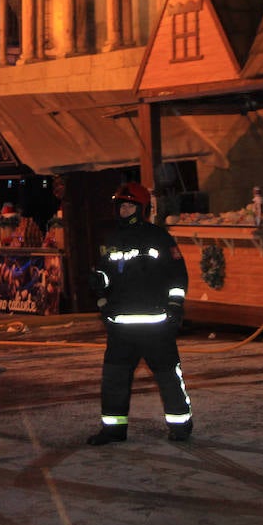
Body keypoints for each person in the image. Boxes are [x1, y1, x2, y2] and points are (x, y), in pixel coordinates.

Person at [87, 181, 193, 444]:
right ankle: (113, 429)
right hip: (121, 326)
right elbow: (106, 275)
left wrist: (174, 307)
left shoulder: (158, 237)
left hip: (156, 325)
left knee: (168, 377)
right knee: (113, 380)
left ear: (141, 208)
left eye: (129, 205)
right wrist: (99, 284)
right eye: (120, 205)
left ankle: (180, 427)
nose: (124, 210)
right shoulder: (110, 240)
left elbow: (178, 276)